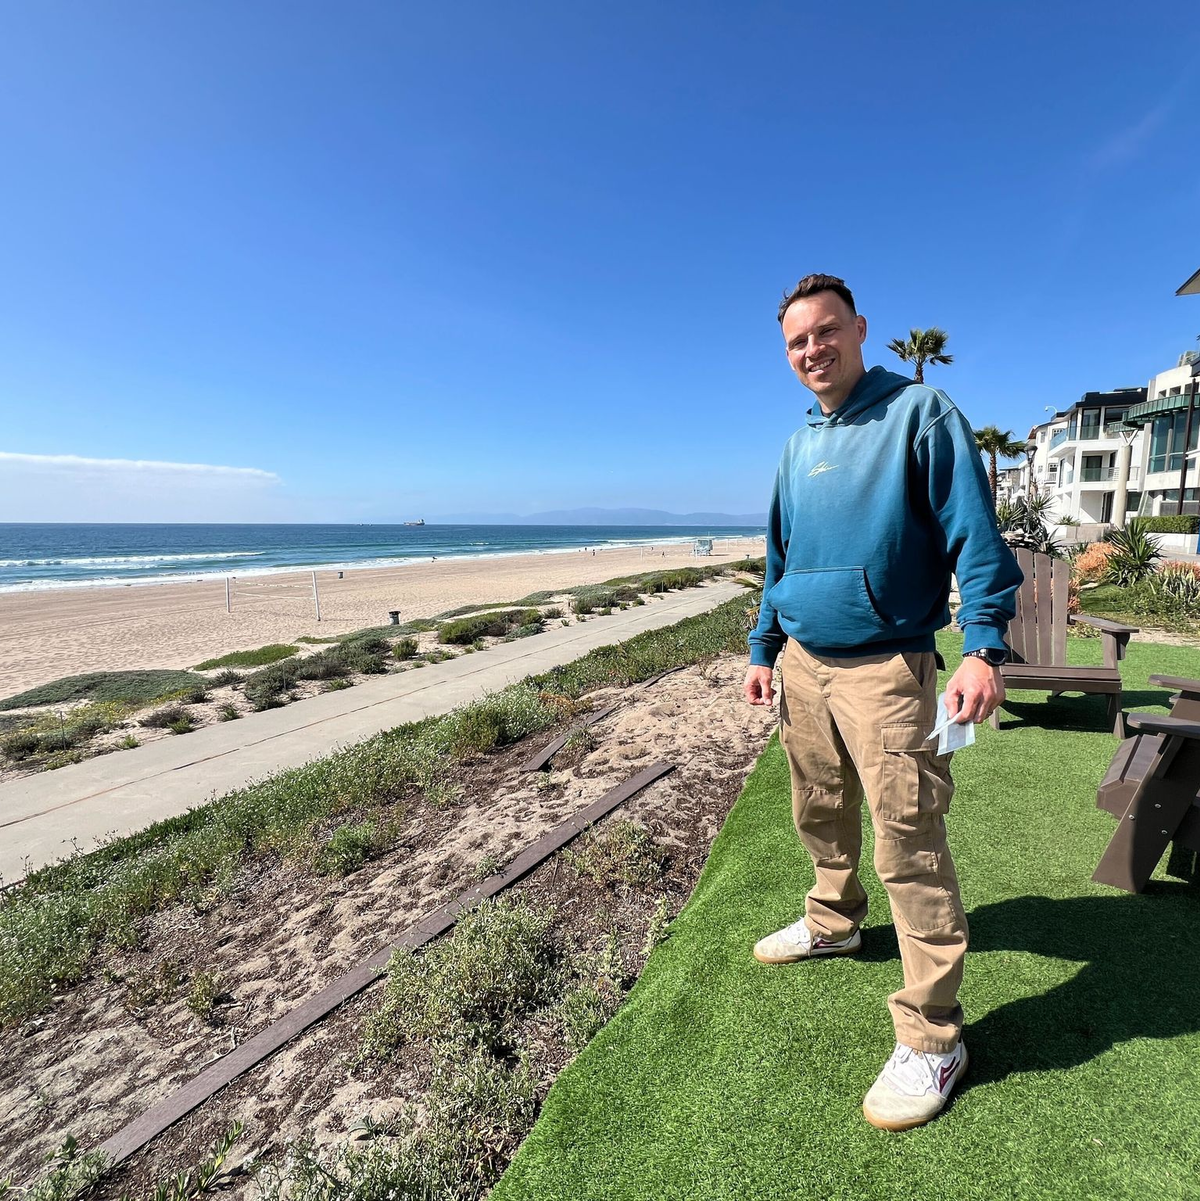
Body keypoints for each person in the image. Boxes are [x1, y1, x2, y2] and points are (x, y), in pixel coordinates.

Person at [743, 273, 1022, 1131]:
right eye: (797, 341)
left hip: (889, 668)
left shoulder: (920, 413)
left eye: (826, 332)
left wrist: (982, 647)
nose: (812, 350)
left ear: (860, 330)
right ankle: (833, 920)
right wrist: (763, 648)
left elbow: (974, 532)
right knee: (819, 808)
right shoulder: (796, 446)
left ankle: (935, 1036)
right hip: (805, 665)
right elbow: (778, 559)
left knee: (909, 838)